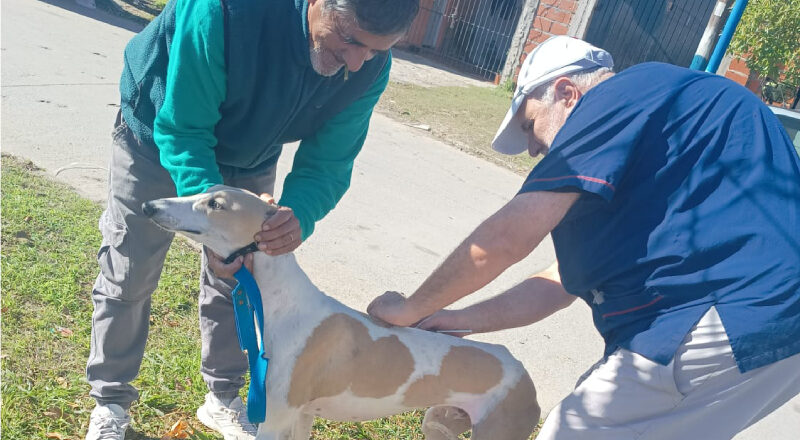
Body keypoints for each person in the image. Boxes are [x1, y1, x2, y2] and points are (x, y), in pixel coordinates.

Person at [368, 35, 800, 439]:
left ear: (566, 93)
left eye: (529, 125)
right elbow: (559, 282)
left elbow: (506, 238)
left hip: (729, 308)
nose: (534, 150)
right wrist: (456, 319)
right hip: (774, 329)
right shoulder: (671, 120)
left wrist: (409, 309)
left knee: (574, 429)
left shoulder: (616, 99)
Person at [84, 0, 419, 438]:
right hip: (158, 132)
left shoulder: (369, 67)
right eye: (351, 39)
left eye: (375, 51)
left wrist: (297, 215)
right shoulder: (224, 11)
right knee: (131, 269)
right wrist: (213, 221)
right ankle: (110, 403)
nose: (356, 62)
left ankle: (223, 397)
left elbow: (328, 164)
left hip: (251, 151)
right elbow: (184, 129)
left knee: (241, 277)